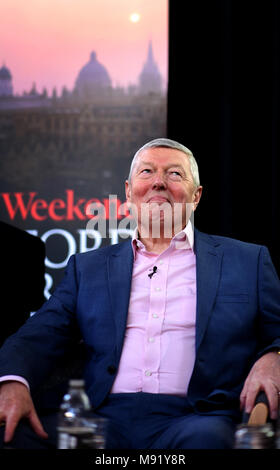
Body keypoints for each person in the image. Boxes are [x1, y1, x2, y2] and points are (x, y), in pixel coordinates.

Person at [0, 138, 280, 449]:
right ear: (129, 193)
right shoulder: (88, 268)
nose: (159, 182)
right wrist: (12, 381)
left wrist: (274, 356)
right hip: (101, 417)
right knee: (14, 436)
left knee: (210, 442)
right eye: (147, 172)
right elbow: (38, 335)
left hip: (198, 417)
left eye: (174, 174)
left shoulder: (247, 261)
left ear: (196, 196)